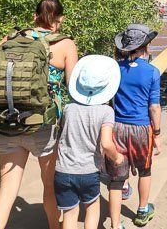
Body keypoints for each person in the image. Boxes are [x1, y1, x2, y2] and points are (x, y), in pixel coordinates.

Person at [0, 0, 78, 229]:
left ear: (34, 16)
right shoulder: (66, 44)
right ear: (60, 19)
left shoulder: (11, 39)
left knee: (6, 192)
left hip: (5, 122)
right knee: (50, 186)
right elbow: (74, 89)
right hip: (43, 124)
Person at [54, 55, 124, 229]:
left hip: (63, 170)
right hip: (88, 171)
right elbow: (107, 144)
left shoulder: (68, 108)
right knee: (92, 209)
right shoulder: (106, 112)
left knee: (69, 214)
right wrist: (117, 158)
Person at [108, 24, 162, 229]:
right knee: (145, 171)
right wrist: (157, 133)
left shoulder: (115, 68)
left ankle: (115, 224)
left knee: (116, 179)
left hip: (117, 127)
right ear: (146, 46)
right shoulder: (152, 72)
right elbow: (154, 107)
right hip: (141, 128)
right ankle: (141, 211)